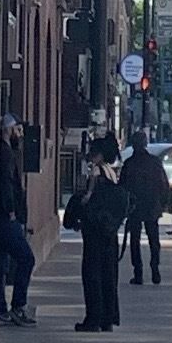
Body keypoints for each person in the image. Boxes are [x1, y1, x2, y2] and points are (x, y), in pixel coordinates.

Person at [69, 136, 122, 331]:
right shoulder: (112, 172)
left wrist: (78, 208)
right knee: (109, 274)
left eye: (93, 152)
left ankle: (93, 319)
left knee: (92, 274)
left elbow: (88, 198)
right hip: (110, 231)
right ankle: (108, 318)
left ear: (98, 154)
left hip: (95, 230)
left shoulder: (96, 171)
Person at [0, 118, 35, 325]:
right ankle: (18, 306)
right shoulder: (6, 154)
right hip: (6, 218)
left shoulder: (2, 151)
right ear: (7, 130)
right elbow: (7, 184)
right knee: (26, 258)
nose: (20, 134)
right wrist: (11, 210)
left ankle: (1, 308)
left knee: (1, 264)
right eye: (17, 129)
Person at [120, 124, 167, 286]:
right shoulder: (155, 162)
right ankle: (155, 270)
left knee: (135, 240)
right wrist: (162, 203)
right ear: (146, 144)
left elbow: (122, 188)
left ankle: (138, 273)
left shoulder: (129, 164)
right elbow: (163, 184)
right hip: (152, 206)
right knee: (154, 240)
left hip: (135, 208)